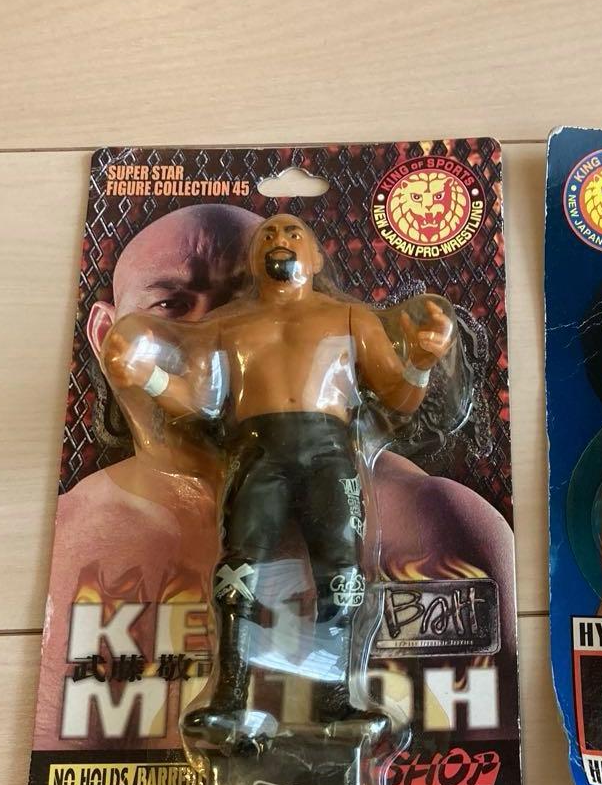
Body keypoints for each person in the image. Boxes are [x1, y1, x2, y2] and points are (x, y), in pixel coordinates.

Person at [37, 205, 516, 752]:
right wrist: (146, 375)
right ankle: (229, 697)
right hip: (256, 452)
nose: (280, 240)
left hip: (330, 453)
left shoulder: (348, 320)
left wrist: (422, 361)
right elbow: (200, 400)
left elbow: (396, 397)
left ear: (315, 258)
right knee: (239, 571)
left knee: (341, 570)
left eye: (292, 232)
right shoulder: (228, 328)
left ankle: (336, 698)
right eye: (269, 235)